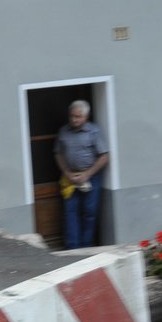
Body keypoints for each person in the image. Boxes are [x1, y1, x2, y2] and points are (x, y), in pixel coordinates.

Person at [54, 99, 109, 249]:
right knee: (70, 212)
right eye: (72, 116)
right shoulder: (64, 131)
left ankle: (86, 247)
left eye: (78, 117)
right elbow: (58, 153)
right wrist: (66, 172)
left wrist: (87, 174)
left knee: (89, 212)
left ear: (86, 117)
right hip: (70, 177)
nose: (74, 119)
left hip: (91, 177)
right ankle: (72, 247)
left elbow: (104, 156)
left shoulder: (93, 131)